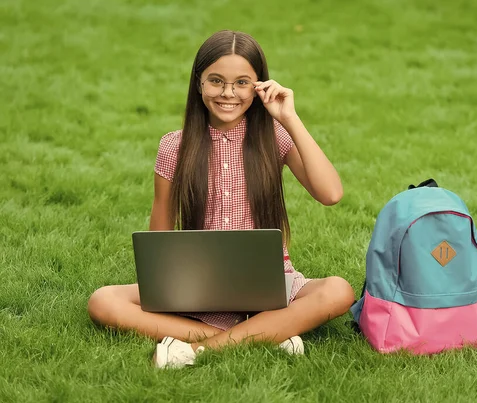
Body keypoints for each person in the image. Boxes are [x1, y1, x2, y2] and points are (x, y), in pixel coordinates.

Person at [87, 30, 355, 369]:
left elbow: (330, 193)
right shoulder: (174, 146)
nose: (228, 93)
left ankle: (201, 345)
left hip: (269, 282)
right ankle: (265, 333)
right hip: (198, 284)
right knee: (103, 301)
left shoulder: (275, 137)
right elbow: (159, 235)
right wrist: (173, 285)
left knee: (338, 292)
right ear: (199, 83)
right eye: (216, 81)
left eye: (242, 82)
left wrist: (289, 117)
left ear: (260, 86)